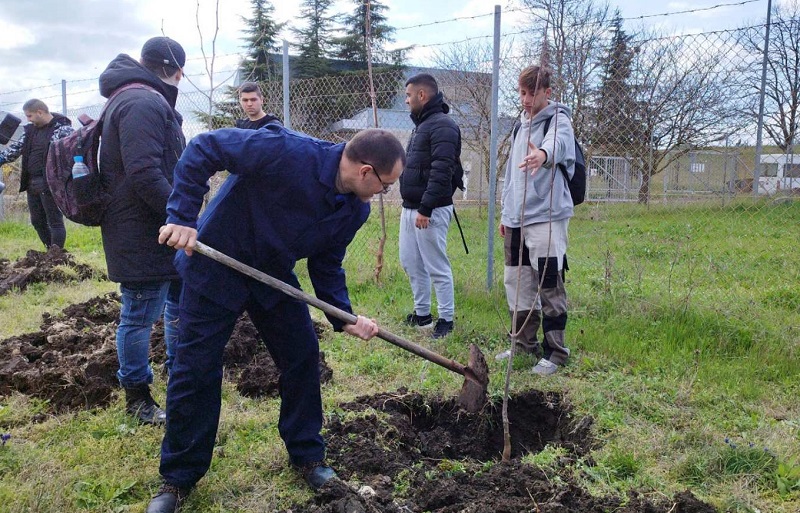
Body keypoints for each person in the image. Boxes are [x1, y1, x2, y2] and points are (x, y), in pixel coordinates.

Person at [145, 126, 405, 513]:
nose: (383, 194)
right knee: (195, 367)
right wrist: (182, 215)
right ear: (366, 171)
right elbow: (204, 148)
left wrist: (343, 314)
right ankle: (178, 480)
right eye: (386, 185)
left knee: (302, 355)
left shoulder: (354, 209)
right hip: (216, 263)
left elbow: (327, 262)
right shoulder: (286, 151)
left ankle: (308, 457)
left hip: (272, 276)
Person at [97, 36, 187, 423]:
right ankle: (137, 399)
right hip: (143, 231)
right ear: (175, 69)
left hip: (155, 228)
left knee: (177, 305)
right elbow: (144, 172)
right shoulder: (143, 102)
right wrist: (181, 215)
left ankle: (179, 369)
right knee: (138, 315)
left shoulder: (135, 97)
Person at [498, 65, 576, 376]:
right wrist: (506, 213)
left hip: (546, 216)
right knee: (517, 283)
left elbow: (557, 144)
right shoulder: (520, 126)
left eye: (533, 93)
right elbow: (510, 177)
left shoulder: (559, 120)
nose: (526, 99)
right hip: (516, 218)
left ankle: (556, 352)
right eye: (522, 93)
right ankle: (522, 344)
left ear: (547, 92)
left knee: (548, 282)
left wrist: (542, 155)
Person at [399, 73, 462, 339]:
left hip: (430, 210)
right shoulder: (422, 125)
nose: (406, 101)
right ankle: (422, 314)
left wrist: (426, 208)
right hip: (411, 207)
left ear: (422, 95)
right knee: (411, 262)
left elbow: (442, 171)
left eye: (408, 95)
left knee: (436, 265)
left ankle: (446, 320)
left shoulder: (443, 126)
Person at [0, 99, 72, 249]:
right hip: (32, 182)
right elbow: (14, 150)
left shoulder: (63, 130)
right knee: (37, 221)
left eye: (30, 116)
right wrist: (1, 159)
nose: (28, 119)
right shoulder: (30, 131)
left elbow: (72, 153)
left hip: (51, 183)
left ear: (40, 112)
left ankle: (56, 255)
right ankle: (49, 252)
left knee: (54, 221)